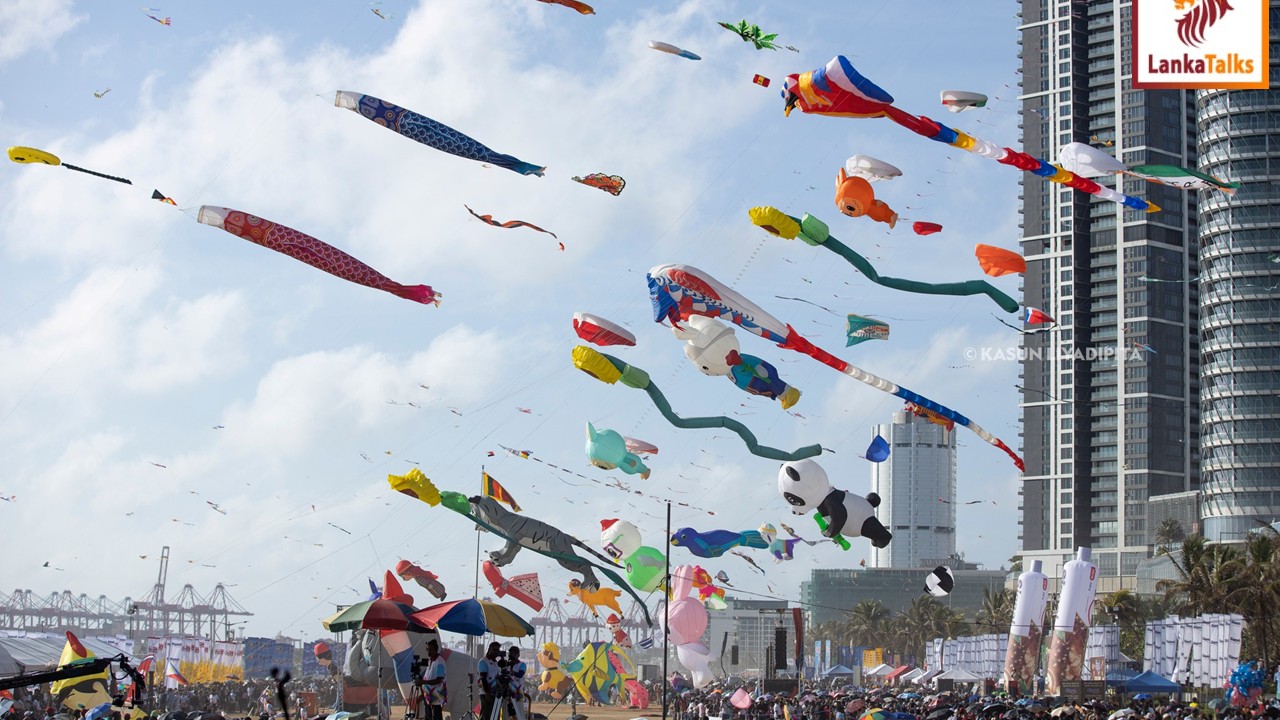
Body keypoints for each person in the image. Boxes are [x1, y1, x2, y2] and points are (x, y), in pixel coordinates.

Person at [420, 640, 447, 720]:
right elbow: (429, 676)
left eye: (431, 650)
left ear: (436, 650)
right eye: (428, 649)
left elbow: (438, 680)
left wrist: (424, 682)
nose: (429, 652)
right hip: (429, 694)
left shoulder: (439, 663)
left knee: (436, 716)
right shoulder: (431, 661)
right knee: (428, 715)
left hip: (437, 695)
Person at [478, 642, 502, 720]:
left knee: (495, 715)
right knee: (487, 715)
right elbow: (483, 678)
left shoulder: (496, 662)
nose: (496, 652)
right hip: (486, 694)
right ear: (489, 650)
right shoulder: (483, 661)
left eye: (497, 650)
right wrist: (487, 693)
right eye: (494, 649)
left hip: (496, 693)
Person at [503, 647, 527, 720]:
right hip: (507, 693)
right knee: (506, 714)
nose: (511, 655)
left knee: (519, 714)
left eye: (513, 653)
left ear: (518, 655)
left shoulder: (522, 664)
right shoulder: (506, 665)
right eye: (510, 653)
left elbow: (520, 674)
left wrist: (511, 672)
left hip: (517, 694)